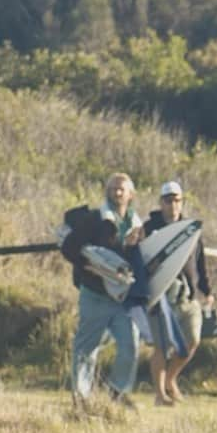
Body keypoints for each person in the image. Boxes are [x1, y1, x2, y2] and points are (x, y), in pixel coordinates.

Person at [60, 172, 144, 410]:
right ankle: (82, 398)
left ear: (131, 195)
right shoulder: (95, 219)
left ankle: (117, 392)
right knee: (86, 349)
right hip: (94, 295)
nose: (117, 192)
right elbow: (69, 248)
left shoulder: (138, 225)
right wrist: (89, 266)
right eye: (113, 188)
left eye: (121, 189)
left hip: (122, 300)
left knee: (130, 347)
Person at [143, 180, 214, 405]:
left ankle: (170, 380)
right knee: (162, 347)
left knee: (191, 341)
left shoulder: (191, 229)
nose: (172, 205)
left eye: (176, 200)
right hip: (160, 297)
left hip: (187, 296)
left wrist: (207, 290)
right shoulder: (149, 228)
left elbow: (199, 262)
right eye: (168, 200)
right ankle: (159, 395)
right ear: (161, 202)